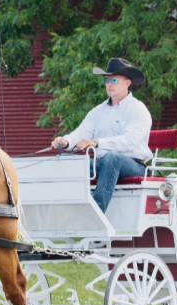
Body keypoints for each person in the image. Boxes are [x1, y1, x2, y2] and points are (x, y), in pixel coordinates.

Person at [51, 57, 152, 213]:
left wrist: (97, 143)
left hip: (135, 165)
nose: (109, 83)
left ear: (127, 83)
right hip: (104, 164)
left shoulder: (138, 109)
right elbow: (81, 133)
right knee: (65, 161)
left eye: (114, 80)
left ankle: (95, 213)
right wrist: (65, 141)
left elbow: (128, 141)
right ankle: (64, 211)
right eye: (107, 79)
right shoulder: (97, 111)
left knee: (112, 158)